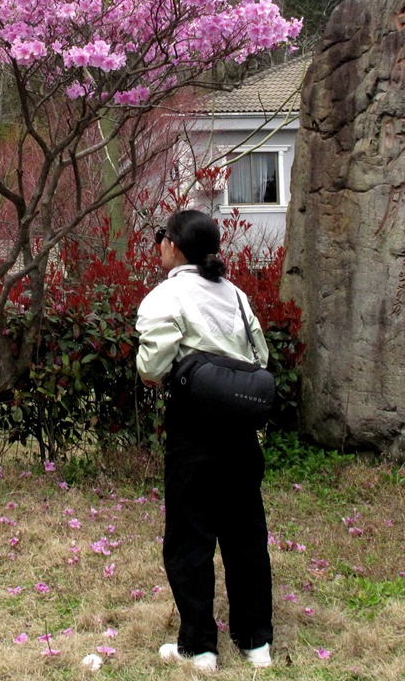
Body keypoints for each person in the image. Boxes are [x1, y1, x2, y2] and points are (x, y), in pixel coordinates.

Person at [136, 209, 273, 673]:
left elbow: (152, 368)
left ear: (174, 246)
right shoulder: (235, 295)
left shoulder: (166, 295)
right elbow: (261, 355)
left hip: (193, 430)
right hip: (240, 426)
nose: (158, 244)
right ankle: (256, 643)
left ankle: (199, 647)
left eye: (161, 237)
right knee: (245, 534)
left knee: (190, 536)